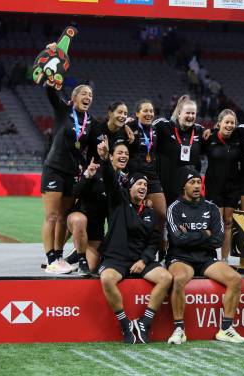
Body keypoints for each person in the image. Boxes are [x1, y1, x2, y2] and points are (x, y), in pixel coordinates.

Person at [97, 140, 172, 344]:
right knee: (106, 279)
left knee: (166, 278)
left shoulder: (150, 212)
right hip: (117, 259)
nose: (143, 187)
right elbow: (110, 180)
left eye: (146, 185)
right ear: (130, 187)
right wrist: (105, 160)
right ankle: (125, 325)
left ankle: (144, 323)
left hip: (140, 260)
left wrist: (144, 260)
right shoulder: (118, 201)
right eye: (139, 183)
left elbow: (153, 241)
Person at [166, 167, 244, 344]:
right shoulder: (174, 208)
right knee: (178, 279)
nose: (196, 186)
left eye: (198, 182)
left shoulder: (211, 207)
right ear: (183, 186)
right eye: (191, 182)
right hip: (181, 257)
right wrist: (205, 234)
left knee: (235, 279)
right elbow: (178, 239)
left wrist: (192, 236)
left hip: (206, 259)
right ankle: (179, 328)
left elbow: (217, 240)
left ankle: (226, 329)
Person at [40, 43, 100, 274]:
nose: (88, 97)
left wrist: (94, 162)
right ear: (73, 97)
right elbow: (50, 90)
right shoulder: (63, 111)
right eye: (84, 94)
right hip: (54, 168)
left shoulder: (91, 122)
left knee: (63, 217)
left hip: (72, 172)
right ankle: (50, 258)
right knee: (52, 215)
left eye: (91, 95)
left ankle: (58, 257)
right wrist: (51, 55)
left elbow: (95, 148)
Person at [68, 142, 130, 275]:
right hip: (79, 216)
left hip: (96, 228)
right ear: (111, 156)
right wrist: (87, 176)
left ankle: (77, 253)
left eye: (126, 153)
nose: (124, 155)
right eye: (119, 152)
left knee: (92, 268)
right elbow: (76, 193)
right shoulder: (96, 170)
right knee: (80, 221)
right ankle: (81, 258)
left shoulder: (124, 180)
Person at [126, 99, 167, 261]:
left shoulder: (155, 130)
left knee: (161, 214)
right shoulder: (129, 128)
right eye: (145, 111)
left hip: (152, 177)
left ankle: (160, 249)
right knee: (133, 216)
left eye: (151, 111)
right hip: (134, 178)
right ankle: (134, 249)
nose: (149, 113)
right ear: (136, 113)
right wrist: (125, 124)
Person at [201, 109, 241, 260]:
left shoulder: (238, 138)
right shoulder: (209, 137)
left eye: (232, 123)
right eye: (227, 122)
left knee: (229, 222)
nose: (230, 125)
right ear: (219, 123)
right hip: (214, 187)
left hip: (232, 187)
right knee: (214, 223)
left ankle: (224, 259)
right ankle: (210, 258)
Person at [154, 95, 205, 205]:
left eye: (193, 113)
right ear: (179, 113)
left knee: (187, 220)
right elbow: (144, 128)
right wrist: (129, 125)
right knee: (164, 220)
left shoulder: (199, 130)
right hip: (166, 187)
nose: (190, 116)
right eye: (188, 113)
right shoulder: (163, 126)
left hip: (189, 190)